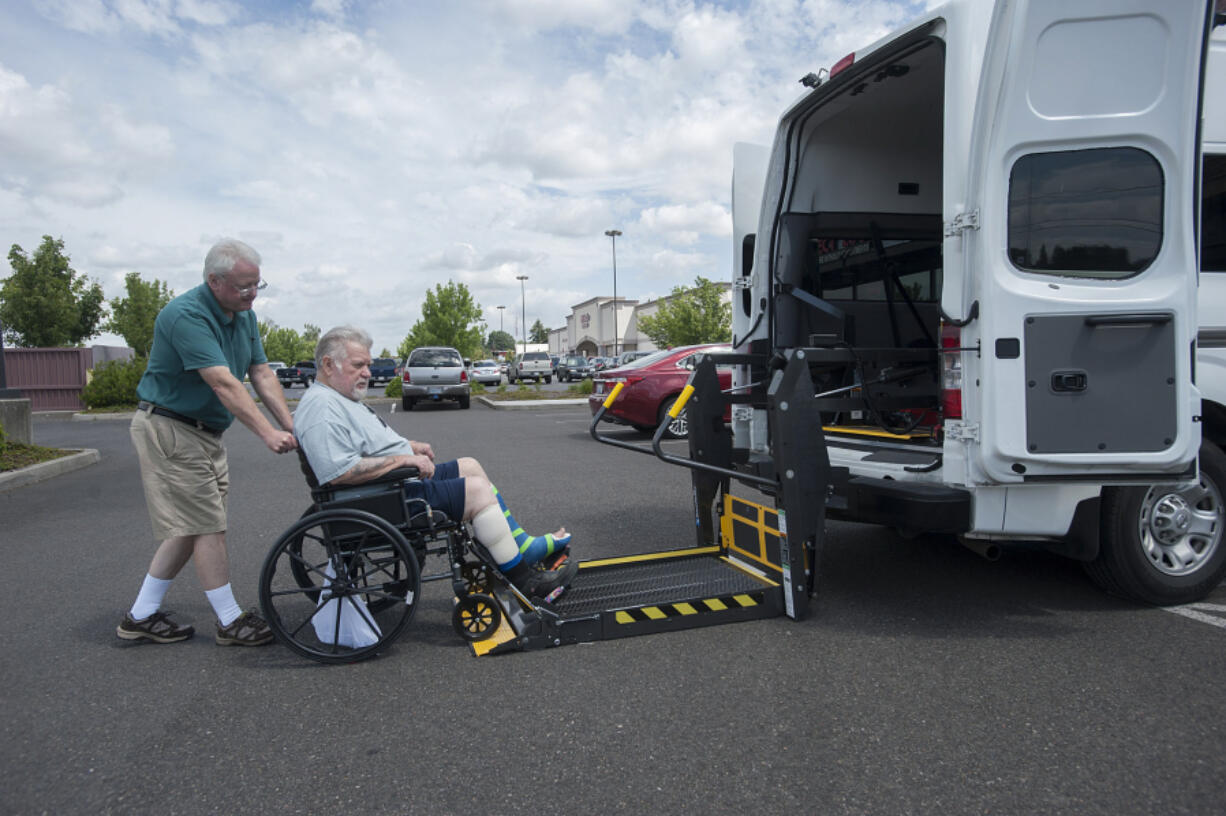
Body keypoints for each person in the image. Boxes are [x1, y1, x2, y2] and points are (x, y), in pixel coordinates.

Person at [294, 325, 576, 601]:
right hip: (382, 496)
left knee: (469, 465)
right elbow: (341, 472)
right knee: (477, 490)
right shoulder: (322, 408)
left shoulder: (336, 398)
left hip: (391, 484)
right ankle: (526, 583)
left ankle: (520, 548)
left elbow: (368, 444)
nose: (367, 372)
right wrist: (404, 459)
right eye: (359, 365)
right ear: (329, 364)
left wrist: (409, 447)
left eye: (367, 364)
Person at [117, 238, 297, 647]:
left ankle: (140, 616)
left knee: (189, 526)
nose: (252, 294)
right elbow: (221, 381)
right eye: (243, 286)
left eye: (257, 285)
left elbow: (262, 373)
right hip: (171, 429)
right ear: (214, 282)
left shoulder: (243, 315)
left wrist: (291, 424)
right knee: (207, 525)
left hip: (204, 433)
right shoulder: (186, 315)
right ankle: (230, 621)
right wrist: (267, 434)